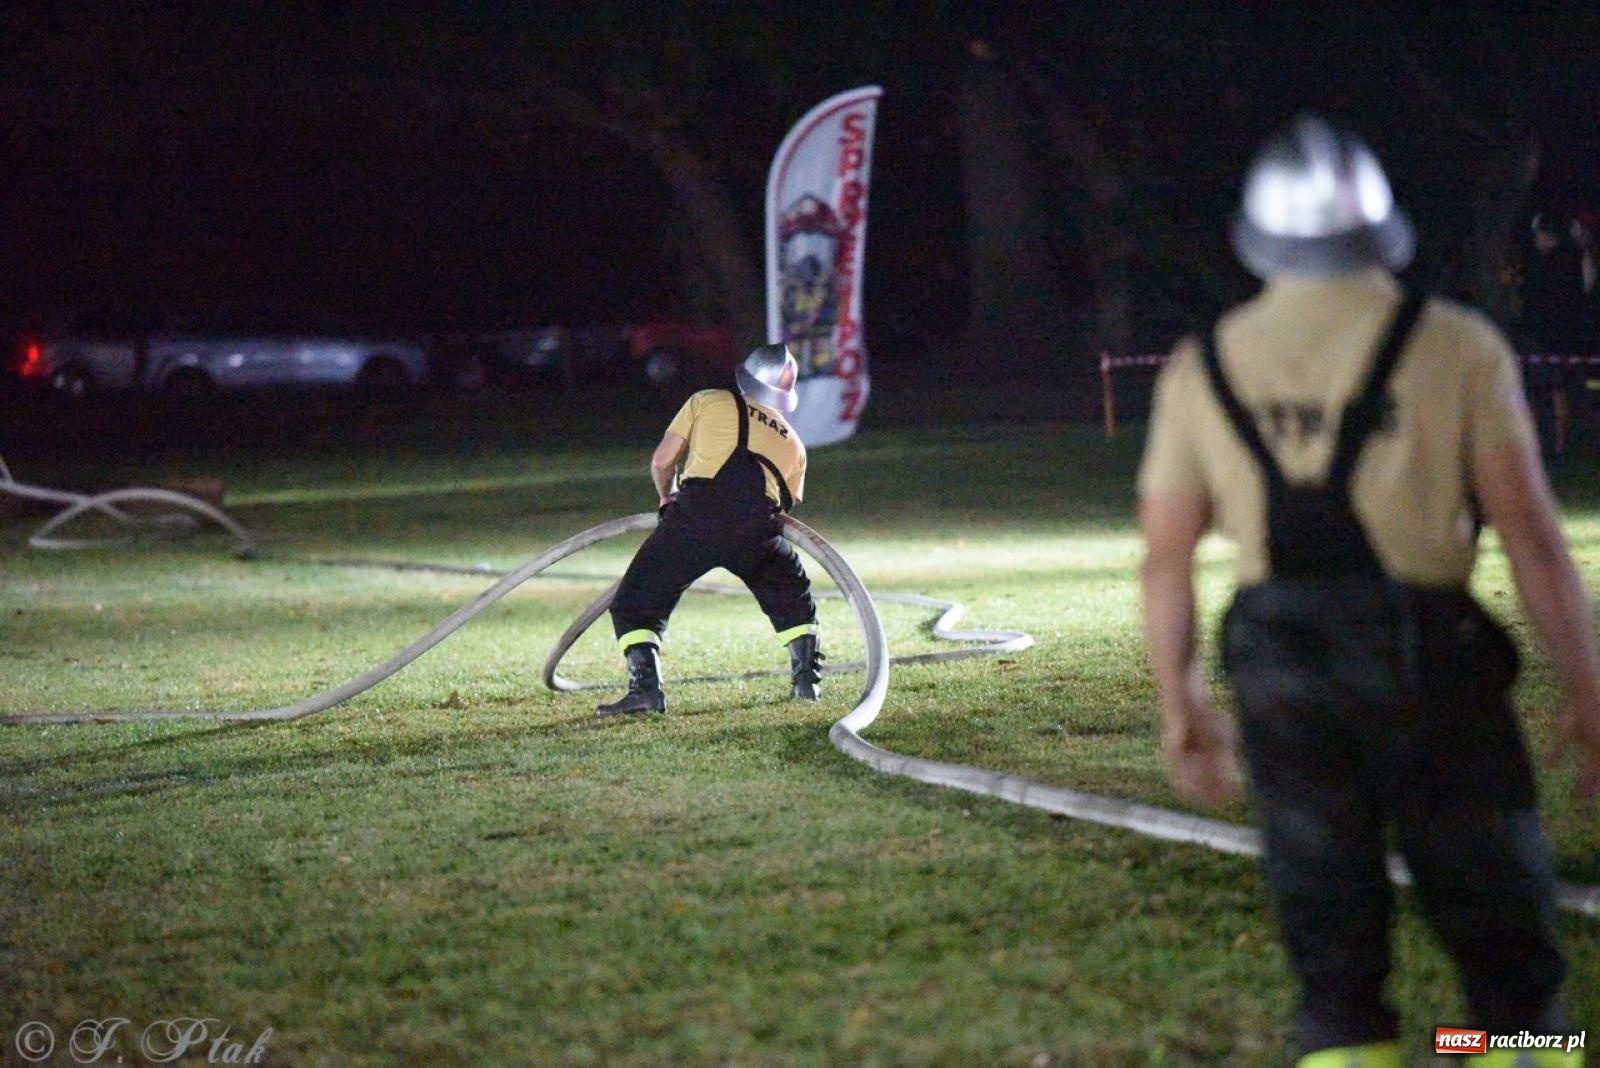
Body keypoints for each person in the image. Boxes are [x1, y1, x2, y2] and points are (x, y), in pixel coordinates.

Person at [1138, 115, 1600, 1066]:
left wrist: (1180, 700)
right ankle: (1515, 1046)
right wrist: (1589, 689)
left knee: (1331, 931)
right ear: (1382, 233)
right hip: (1432, 653)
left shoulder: (1202, 368)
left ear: (1257, 240)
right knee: (1502, 918)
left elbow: (1166, 557)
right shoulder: (1459, 349)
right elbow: (1533, 541)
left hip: (1283, 666)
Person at [596, 342, 822, 717]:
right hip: (757, 526)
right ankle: (806, 685)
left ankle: (646, 692)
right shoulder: (795, 445)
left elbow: (661, 462)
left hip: (695, 518)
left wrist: (667, 499)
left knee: (634, 603)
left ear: (745, 376)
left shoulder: (707, 401)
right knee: (791, 594)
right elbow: (783, 508)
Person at [1519, 209, 1596, 456]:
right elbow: (1588, 285)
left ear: (1550, 236)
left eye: (1539, 234)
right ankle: (1555, 443)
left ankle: (1555, 444)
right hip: (1560, 337)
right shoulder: (1568, 259)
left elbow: (1586, 285)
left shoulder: (1547, 264)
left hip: (1547, 338)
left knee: (1549, 391)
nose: (1536, 239)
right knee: (1555, 391)